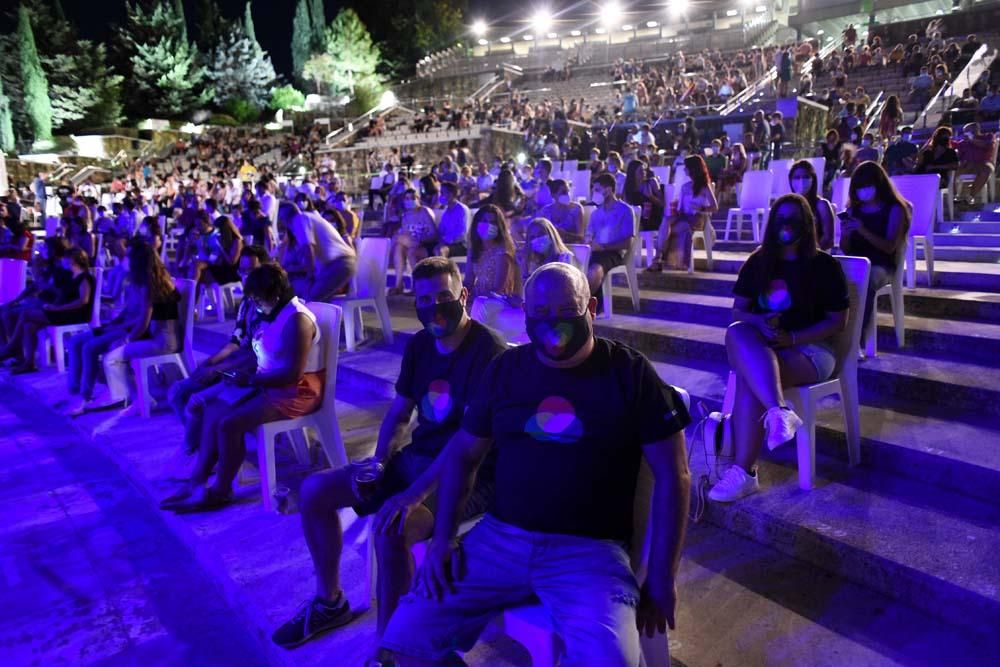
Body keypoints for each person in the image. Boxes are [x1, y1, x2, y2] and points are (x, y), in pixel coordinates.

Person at [372, 262, 691, 666]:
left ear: (591, 308)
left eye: (565, 313)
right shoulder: (505, 370)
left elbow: (674, 476)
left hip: (590, 552)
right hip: (501, 539)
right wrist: (443, 538)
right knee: (402, 644)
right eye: (540, 315)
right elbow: (465, 456)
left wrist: (662, 578)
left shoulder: (630, 374)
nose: (552, 327)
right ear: (527, 315)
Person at [270, 257, 505, 649]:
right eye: (425, 299)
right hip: (418, 458)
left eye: (443, 297)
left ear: (463, 295)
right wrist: (379, 461)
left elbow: (467, 445)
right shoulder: (420, 345)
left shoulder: (490, 354)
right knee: (314, 491)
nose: (434, 307)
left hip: (470, 474)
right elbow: (399, 412)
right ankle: (330, 603)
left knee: (393, 528)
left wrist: (411, 494)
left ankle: (391, 647)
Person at [710, 194, 850, 502]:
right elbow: (739, 311)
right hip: (766, 344)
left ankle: (744, 471)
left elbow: (838, 322)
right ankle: (778, 410)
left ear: (807, 225)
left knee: (750, 376)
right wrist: (760, 324)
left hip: (813, 350)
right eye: (781, 219)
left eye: (794, 219)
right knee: (738, 332)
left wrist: (794, 339)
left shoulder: (824, 266)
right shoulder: (760, 263)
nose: (787, 226)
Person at [160, 264, 324, 513]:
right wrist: (236, 371)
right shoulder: (271, 312)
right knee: (213, 411)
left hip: (295, 390)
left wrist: (249, 380)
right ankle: (196, 482)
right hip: (267, 381)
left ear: (275, 294)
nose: (255, 303)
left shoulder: (296, 320)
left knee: (229, 424)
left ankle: (221, 491)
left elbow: (292, 374)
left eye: (258, 298)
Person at [168, 246, 268, 454]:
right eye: (242, 270)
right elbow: (235, 341)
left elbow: (258, 357)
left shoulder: (268, 306)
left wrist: (219, 369)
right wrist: (212, 362)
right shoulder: (247, 304)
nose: (245, 276)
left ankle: (199, 451)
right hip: (236, 366)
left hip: (251, 374)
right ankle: (200, 446)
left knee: (195, 399)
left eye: (251, 271)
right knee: (178, 391)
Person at [839, 162, 911, 353]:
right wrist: (845, 233)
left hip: (882, 265)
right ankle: (832, 334)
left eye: (867, 186)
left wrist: (862, 229)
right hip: (856, 260)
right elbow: (846, 249)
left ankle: (856, 341)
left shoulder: (895, 209)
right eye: (860, 187)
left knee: (865, 279)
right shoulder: (854, 210)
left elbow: (889, 247)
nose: (864, 191)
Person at [102, 241, 181, 416]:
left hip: (162, 342)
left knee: (112, 357)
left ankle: (138, 399)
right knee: (117, 347)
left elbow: (144, 321)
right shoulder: (161, 277)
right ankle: (142, 395)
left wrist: (127, 340)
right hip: (165, 337)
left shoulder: (149, 285)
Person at [0, 247, 95, 374]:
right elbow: (63, 296)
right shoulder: (72, 277)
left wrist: (58, 308)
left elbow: (83, 301)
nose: (64, 261)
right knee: (29, 326)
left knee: (25, 313)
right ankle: (29, 363)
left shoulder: (85, 277)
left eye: (66, 259)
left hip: (75, 315)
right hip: (64, 311)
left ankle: (12, 347)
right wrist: (54, 306)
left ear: (74, 260)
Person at [650, 155, 718, 272]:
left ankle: (658, 260)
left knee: (669, 231)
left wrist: (702, 208)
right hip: (683, 215)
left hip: (697, 217)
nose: (685, 169)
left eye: (686, 167)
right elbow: (680, 208)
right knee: (666, 221)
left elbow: (715, 207)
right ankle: (658, 258)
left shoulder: (704, 186)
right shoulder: (685, 186)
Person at [279, 201, 357, 302]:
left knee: (310, 298)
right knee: (312, 296)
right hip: (341, 263)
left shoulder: (299, 219)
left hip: (339, 264)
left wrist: (310, 275)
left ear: (284, 218)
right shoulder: (307, 218)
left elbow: (308, 247)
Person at [585, 172, 636, 301]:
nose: (594, 193)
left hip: (613, 254)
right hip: (594, 251)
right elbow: (589, 235)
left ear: (608, 190)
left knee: (594, 270)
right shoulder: (596, 213)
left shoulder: (625, 210)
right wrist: (589, 242)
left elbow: (627, 243)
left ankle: (580, 304)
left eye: (597, 190)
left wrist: (603, 247)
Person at [464, 204, 519, 302]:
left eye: (492, 222)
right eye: (484, 221)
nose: (488, 225)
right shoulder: (474, 249)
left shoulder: (502, 252)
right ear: (477, 223)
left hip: (495, 302)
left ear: (499, 227)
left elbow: (498, 290)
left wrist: (475, 299)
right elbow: (468, 281)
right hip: (476, 298)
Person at [389, 189, 438, 295]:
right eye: (407, 198)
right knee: (399, 246)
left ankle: (416, 285)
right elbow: (407, 237)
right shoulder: (406, 216)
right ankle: (399, 284)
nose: (409, 200)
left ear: (418, 199)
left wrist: (420, 240)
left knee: (407, 248)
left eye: (413, 198)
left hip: (426, 245)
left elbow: (434, 234)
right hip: (413, 245)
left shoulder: (425, 211)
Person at [789, 160, 836, 251]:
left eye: (806, 177)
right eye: (797, 177)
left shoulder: (822, 205)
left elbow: (828, 239)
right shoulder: (789, 206)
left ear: (813, 179)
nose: (801, 181)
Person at [956, 123, 998, 204]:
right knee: (952, 170)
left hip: (984, 163)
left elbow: (986, 146)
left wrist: (972, 140)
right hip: (968, 164)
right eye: (965, 131)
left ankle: (970, 197)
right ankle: (955, 197)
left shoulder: (987, 136)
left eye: (968, 131)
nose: (966, 133)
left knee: (986, 170)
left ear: (976, 130)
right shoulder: (963, 142)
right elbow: (958, 155)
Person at [538, 179, 585, 244]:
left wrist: (564, 234)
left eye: (568, 191)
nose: (567, 195)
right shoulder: (545, 211)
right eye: (563, 192)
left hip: (570, 247)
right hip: (550, 248)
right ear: (553, 195)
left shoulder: (576, 209)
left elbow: (581, 237)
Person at [624, 160, 665, 234]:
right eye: (640, 170)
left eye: (644, 170)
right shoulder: (628, 187)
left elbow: (663, 204)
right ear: (633, 173)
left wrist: (651, 196)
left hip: (653, 218)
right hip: (637, 220)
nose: (644, 172)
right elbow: (626, 206)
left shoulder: (651, 182)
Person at [432, 182, 469, 258]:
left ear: (451, 194)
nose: (440, 196)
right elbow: (441, 230)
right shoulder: (446, 211)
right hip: (447, 242)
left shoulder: (461, 209)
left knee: (441, 250)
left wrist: (444, 241)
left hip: (461, 245)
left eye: (442, 193)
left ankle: (443, 269)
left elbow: (461, 233)